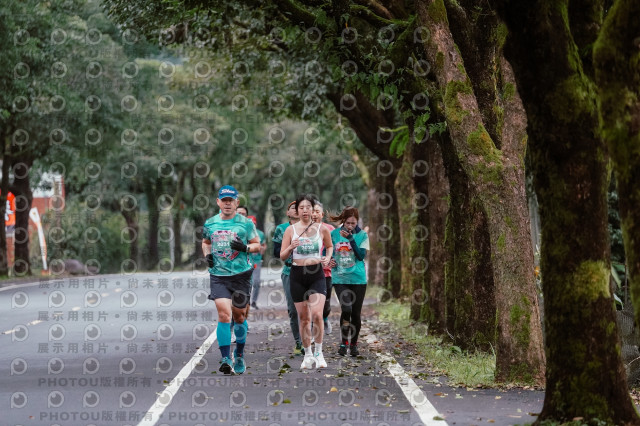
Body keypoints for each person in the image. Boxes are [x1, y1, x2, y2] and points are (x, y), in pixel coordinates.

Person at [201, 185, 261, 374]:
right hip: (219, 276)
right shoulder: (210, 223)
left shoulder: (246, 223)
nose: (227, 204)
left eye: (231, 200)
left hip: (241, 276)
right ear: (218, 202)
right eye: (224, 200)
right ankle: (226, 358)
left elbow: (257, 245)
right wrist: (207, 256)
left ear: (237, 202)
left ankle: (239, 354)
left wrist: (245, 248)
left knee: (239, 316)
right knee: (224, 315)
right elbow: (205, 242)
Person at [280, 194, 333, 369]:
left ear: (312, 210)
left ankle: (319, 353)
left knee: (317, 315)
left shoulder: (321, 229)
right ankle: (308, 354)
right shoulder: (290, 231)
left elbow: (330, 246)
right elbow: (282, 256)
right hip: (297, 274)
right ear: (297, 211)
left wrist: (327, 257)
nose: (305, 210)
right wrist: (291, 246)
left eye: (308, 207)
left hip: (316, 274)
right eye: (301, 208)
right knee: (303, 318)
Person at [330, 206, 369, 357]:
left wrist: (351, 239)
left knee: (356, 313)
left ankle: (353, 344)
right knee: (346, 309)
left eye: (353, 223)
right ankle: (344, 342)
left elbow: (360, 256)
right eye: (348, 223)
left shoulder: (363, 235)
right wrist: (329, 260)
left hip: (358, 279)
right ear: (343, 221)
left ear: (357, 222)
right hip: (340, 278)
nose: (350, 226)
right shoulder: (334, 234)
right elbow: (326, 251)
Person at [272, 201, 304, 355]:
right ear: (287, 212)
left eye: (299, 207)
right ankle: (299, 341)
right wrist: (290, 245)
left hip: (309, 271)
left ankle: (309, 340)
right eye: (293, 208)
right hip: (289, 271)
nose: (296, 210)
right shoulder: (281, 229)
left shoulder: (310, 227)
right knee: (293, 310)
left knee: (309, 309)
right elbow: (276, 252)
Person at [311, 201, 336, 334]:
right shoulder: (303, 229)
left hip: (326, 272)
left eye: (317, 212)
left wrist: (331, 260)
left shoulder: (330, 229)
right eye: (312, 211)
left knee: (325, 302)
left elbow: (335, 247)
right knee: (310, 300)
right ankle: (312, 323)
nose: (314, 214)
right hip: (309, 271)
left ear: (322, 214)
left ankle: (325, 318)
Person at [247, 215, 266, 309]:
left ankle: (254, 301)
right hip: (246, 261)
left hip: (257, 260)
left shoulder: (260, 234)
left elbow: (264, 246)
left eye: (253, 223)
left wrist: (261, 249)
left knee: (256, 282)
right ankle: (246, 301)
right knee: (247, 282)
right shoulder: (243, 233)